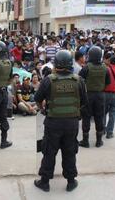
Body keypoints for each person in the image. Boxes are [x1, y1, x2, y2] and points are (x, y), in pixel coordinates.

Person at [33, 50, 88, 192]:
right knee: (70, 151)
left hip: (53, 122)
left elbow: (37, 99)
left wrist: (43, 109)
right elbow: (84, 102)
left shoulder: (48, 80)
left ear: (56, 63)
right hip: (72, 123)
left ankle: (44, 182)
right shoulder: (78, 80)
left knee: (49, 152)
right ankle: (71, 181)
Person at [79, 46, 111, 148]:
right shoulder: (105, 68)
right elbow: (108, 83)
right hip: (100, 95)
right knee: (99, 117)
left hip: (88, 95)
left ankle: (85, 140)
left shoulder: (86, 68)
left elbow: (79, 81)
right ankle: (99, 141)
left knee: (86, 117)